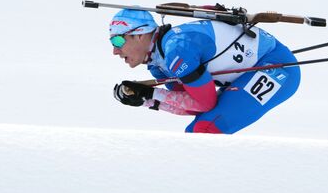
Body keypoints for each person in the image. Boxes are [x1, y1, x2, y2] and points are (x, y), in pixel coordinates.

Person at [110, 7, 301, 134]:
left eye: (117, 40)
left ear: (140, 34)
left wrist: (153, 93)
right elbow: (191, 106)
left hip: (276, 67)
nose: (115, 50)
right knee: (197, 132)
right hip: (246, 73)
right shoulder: (158, 64)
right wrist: (148, 100)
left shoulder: (177, 50)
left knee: (204, 130)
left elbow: (205, 104)